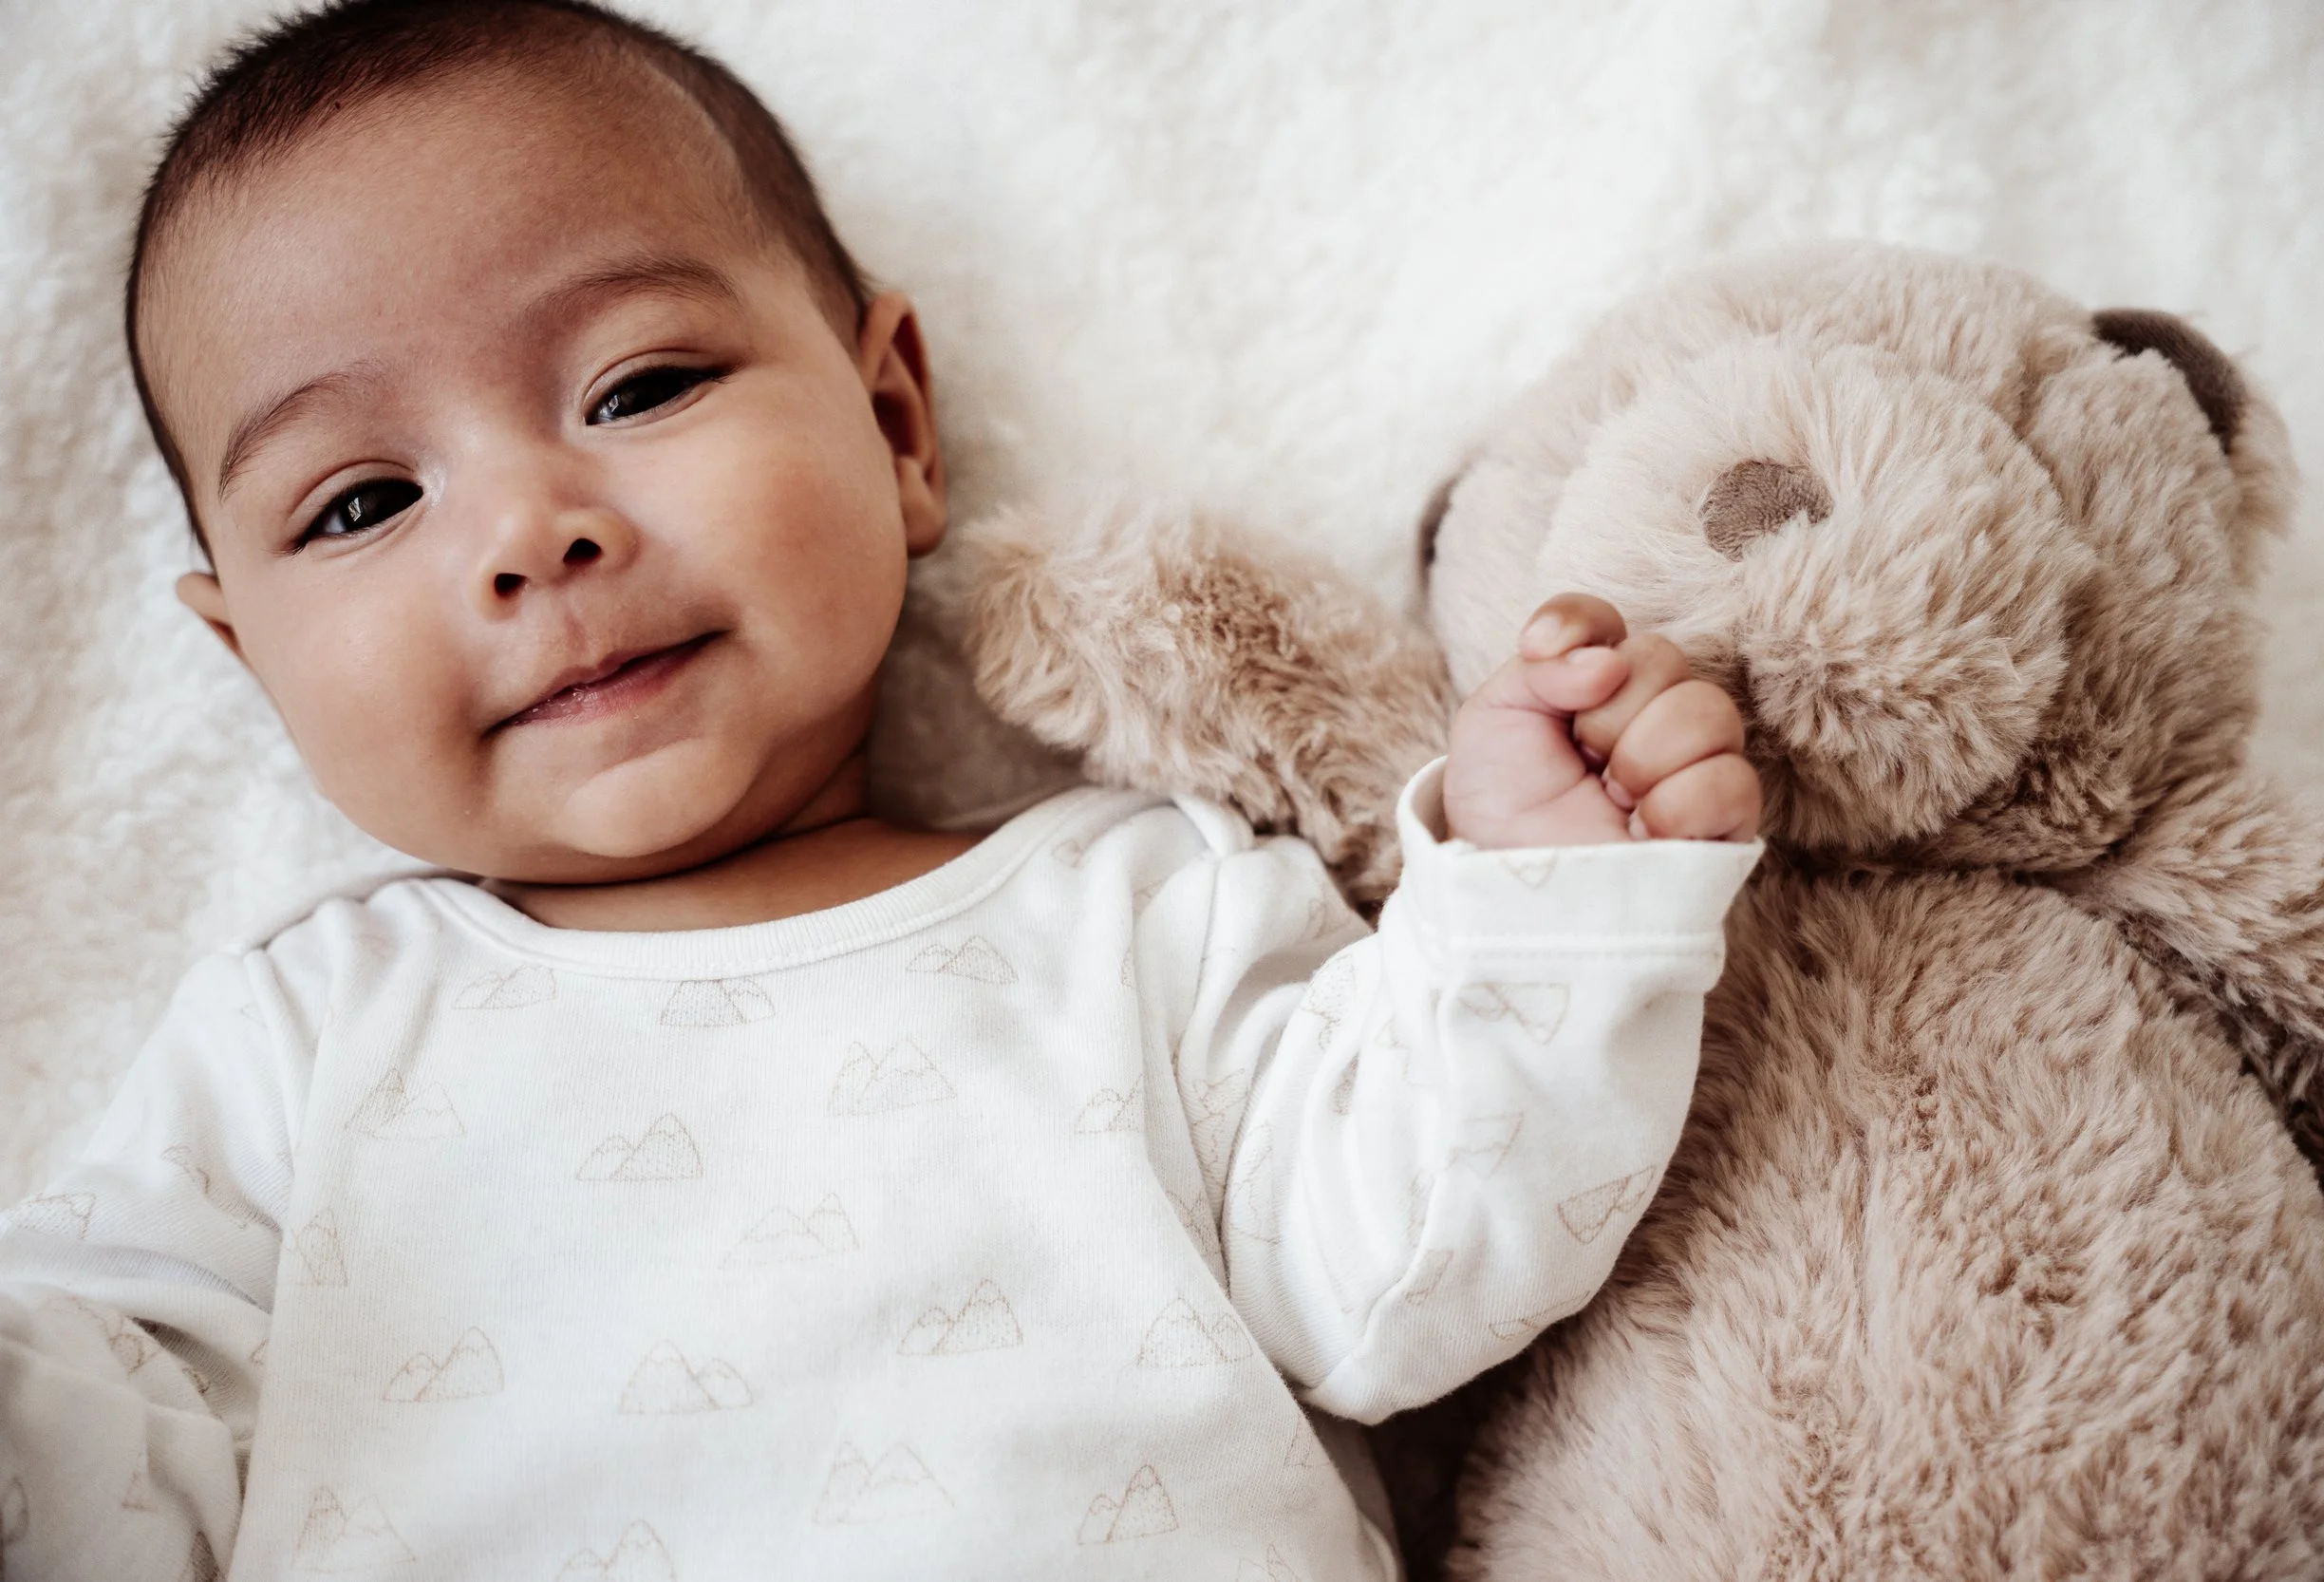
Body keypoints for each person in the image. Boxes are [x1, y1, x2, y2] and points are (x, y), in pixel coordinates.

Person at [0, 2, 1763, 1575]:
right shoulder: (296, 1047)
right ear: (250, 660)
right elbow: (104, 1479)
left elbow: (1400, 1272)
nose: (533, 535)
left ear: (896, 422)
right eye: (363, 503)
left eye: (641, 382)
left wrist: (1543, 905)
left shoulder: (1146, 909)